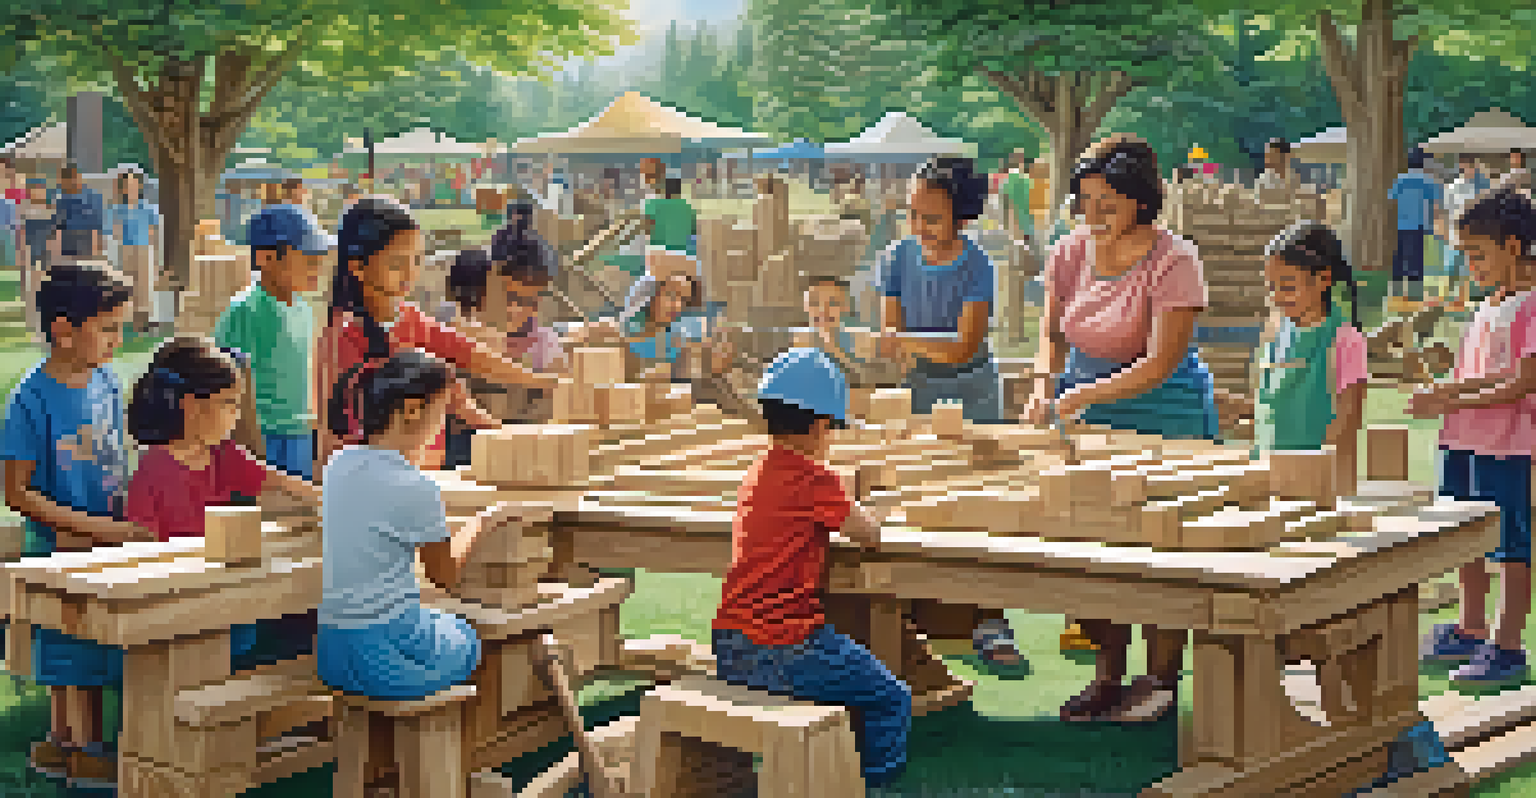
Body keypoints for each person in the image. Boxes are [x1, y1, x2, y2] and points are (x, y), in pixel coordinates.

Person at [1025, 134, 1219, 722]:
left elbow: (1160, 363)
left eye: (1107, 202)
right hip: (1089, 413)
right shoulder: (1067, 252)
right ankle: (1107, 675)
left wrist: (1079, 394)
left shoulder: (1175, 260)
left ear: (1140, 200)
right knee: (1096, 547)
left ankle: (1159, 681)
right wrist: (1042, 385)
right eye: (1085, 201)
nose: (1094, 215)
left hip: (1167, 414)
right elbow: (1052, 335)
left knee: (1163, 549)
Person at [713, 347, 910, 789]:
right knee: (891, 698)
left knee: (846, 666)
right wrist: (881, 508)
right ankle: (872, 783)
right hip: (784, 647)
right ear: (822, 426)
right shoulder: (815, 479)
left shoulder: (757, 471)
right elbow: (869, 534)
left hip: (730, 644)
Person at [2, 264, 149, 788]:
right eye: (108, 328)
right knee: (70, 651)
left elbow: (121, 455)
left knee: (97, 647)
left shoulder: (108, 381)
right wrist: (88, 528)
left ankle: (63, 746)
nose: (119, 339)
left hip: (106, 543)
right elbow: (16, 491)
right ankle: (82, 751)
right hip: (62, 550)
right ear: (64, 330)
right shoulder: (31, 398)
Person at [318, 349, 519, 700]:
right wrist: (483, 522)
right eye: (441, 411)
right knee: (469, 639)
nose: (443, 424)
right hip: (386, 653)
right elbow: (444, 577)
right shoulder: (415, 488)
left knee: (443, 622)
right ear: (412, 410)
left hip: (333, 649)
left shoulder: (339, 464)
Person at [314, 197, 556, 476]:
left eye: (416, 260)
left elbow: (467, 353)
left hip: (425, 470)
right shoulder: (342, 336)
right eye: (396, 263)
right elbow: (339, 430)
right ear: (357, 267)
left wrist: (539, 381)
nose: (410, 273)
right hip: (370, 478)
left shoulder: (409, 317)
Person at [123, 339, 322, 672]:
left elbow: (284, 484)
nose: (236, 416)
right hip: (175, 598)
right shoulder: (153, 468)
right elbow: (142, 543)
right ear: (191, 407)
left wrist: (328, 499)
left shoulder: (223, 455)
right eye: (229, 405)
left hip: (221, 590)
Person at [1414, 189, 1536, 685]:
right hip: (1462, 438)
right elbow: (1484, 374)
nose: (1471, 265)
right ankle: (1470, 628)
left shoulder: (1530, 305)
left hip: (1506, 443)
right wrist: (1445, 388)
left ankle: (1507, 646)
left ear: (1513, 246)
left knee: (1508, 545)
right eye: (1465, 254)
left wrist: (1449, 399)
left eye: (1478, 254)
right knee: (1465, 537)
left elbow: (1522, 383)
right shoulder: (1491, 303)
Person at [875, 156, 1002, 422]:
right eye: (912, 214)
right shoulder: (895, 258)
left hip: (972, 389)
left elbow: (964, 348)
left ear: (962, 219)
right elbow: (891, 330)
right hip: (917, 386)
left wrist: (900, 340)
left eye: (932, 219)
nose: (919, 226)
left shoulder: (978, 266)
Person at [217, 205, 333, 481]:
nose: (317, 266)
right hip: (263, 436)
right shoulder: (246, 309)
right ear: (266, 257)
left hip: (301, 433)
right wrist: (251, 446)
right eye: (307, 258)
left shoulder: (303, 307)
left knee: (297, 514)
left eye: (319, 257)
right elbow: (232, 381)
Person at [440, 235, 567, 469]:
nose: (516, 310)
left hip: (519, 450)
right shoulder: (453, 335)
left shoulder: (543, 343)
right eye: (509, 299)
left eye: (528, 301)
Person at [1255, 223, 1368, 481]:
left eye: (1287, 287)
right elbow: (1271, 406)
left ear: (1324, 280)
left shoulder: (1344, 340)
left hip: (1318, 486)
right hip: (1269, 478)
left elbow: (1346, 426)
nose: (1278, 298)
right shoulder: (1274, 332)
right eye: (1271, 288)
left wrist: (1314, 479)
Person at [107, 167, 161, 334]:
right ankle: (124, 321)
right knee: (125, 285)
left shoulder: (148, 209)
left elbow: (154, 233)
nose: (130, 187)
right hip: (125, 249)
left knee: (144, 285)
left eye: (133, 183)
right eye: (127, 184)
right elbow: (114, 233)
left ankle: (144, 321)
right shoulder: (116, 210)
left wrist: (156, 258)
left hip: (144, 249)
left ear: (139, 186)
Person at [1389, 148, 1444, 302]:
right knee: (1416, 260)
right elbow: (1436, 206)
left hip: (1400, 224)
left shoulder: (1400, 179)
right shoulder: (1428, 181)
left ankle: (1397, 292)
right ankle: (1414, 294)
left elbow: (1392, 199)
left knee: (1399, 258)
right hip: (1418, 225)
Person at [1443, 154, 1488, 309]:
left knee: (1467, 264)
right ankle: (1449, 296)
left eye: (1470, 165)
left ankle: (1463, 297)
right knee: (1453, 264)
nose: (1468, 168)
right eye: (1465, 165)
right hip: (1456, 228)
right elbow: (1447, 208)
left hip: (1473, 230)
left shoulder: (1480, 185)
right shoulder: (1455, 186)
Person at [51, 165, 105, 263]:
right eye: (62, 182)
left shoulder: (92, 197)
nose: (63, 185)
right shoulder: (62, 199)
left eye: (65, 182)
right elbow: (58, 226)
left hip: (86, 244)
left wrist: (97, 251)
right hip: (68, 246)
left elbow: (97, 226)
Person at [644, 177, 697, 256]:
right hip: (683, 252)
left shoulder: (654, 205)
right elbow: (693, 231)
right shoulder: (688, 208)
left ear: (665, 191)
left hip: (658, 251)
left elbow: (646, 226)